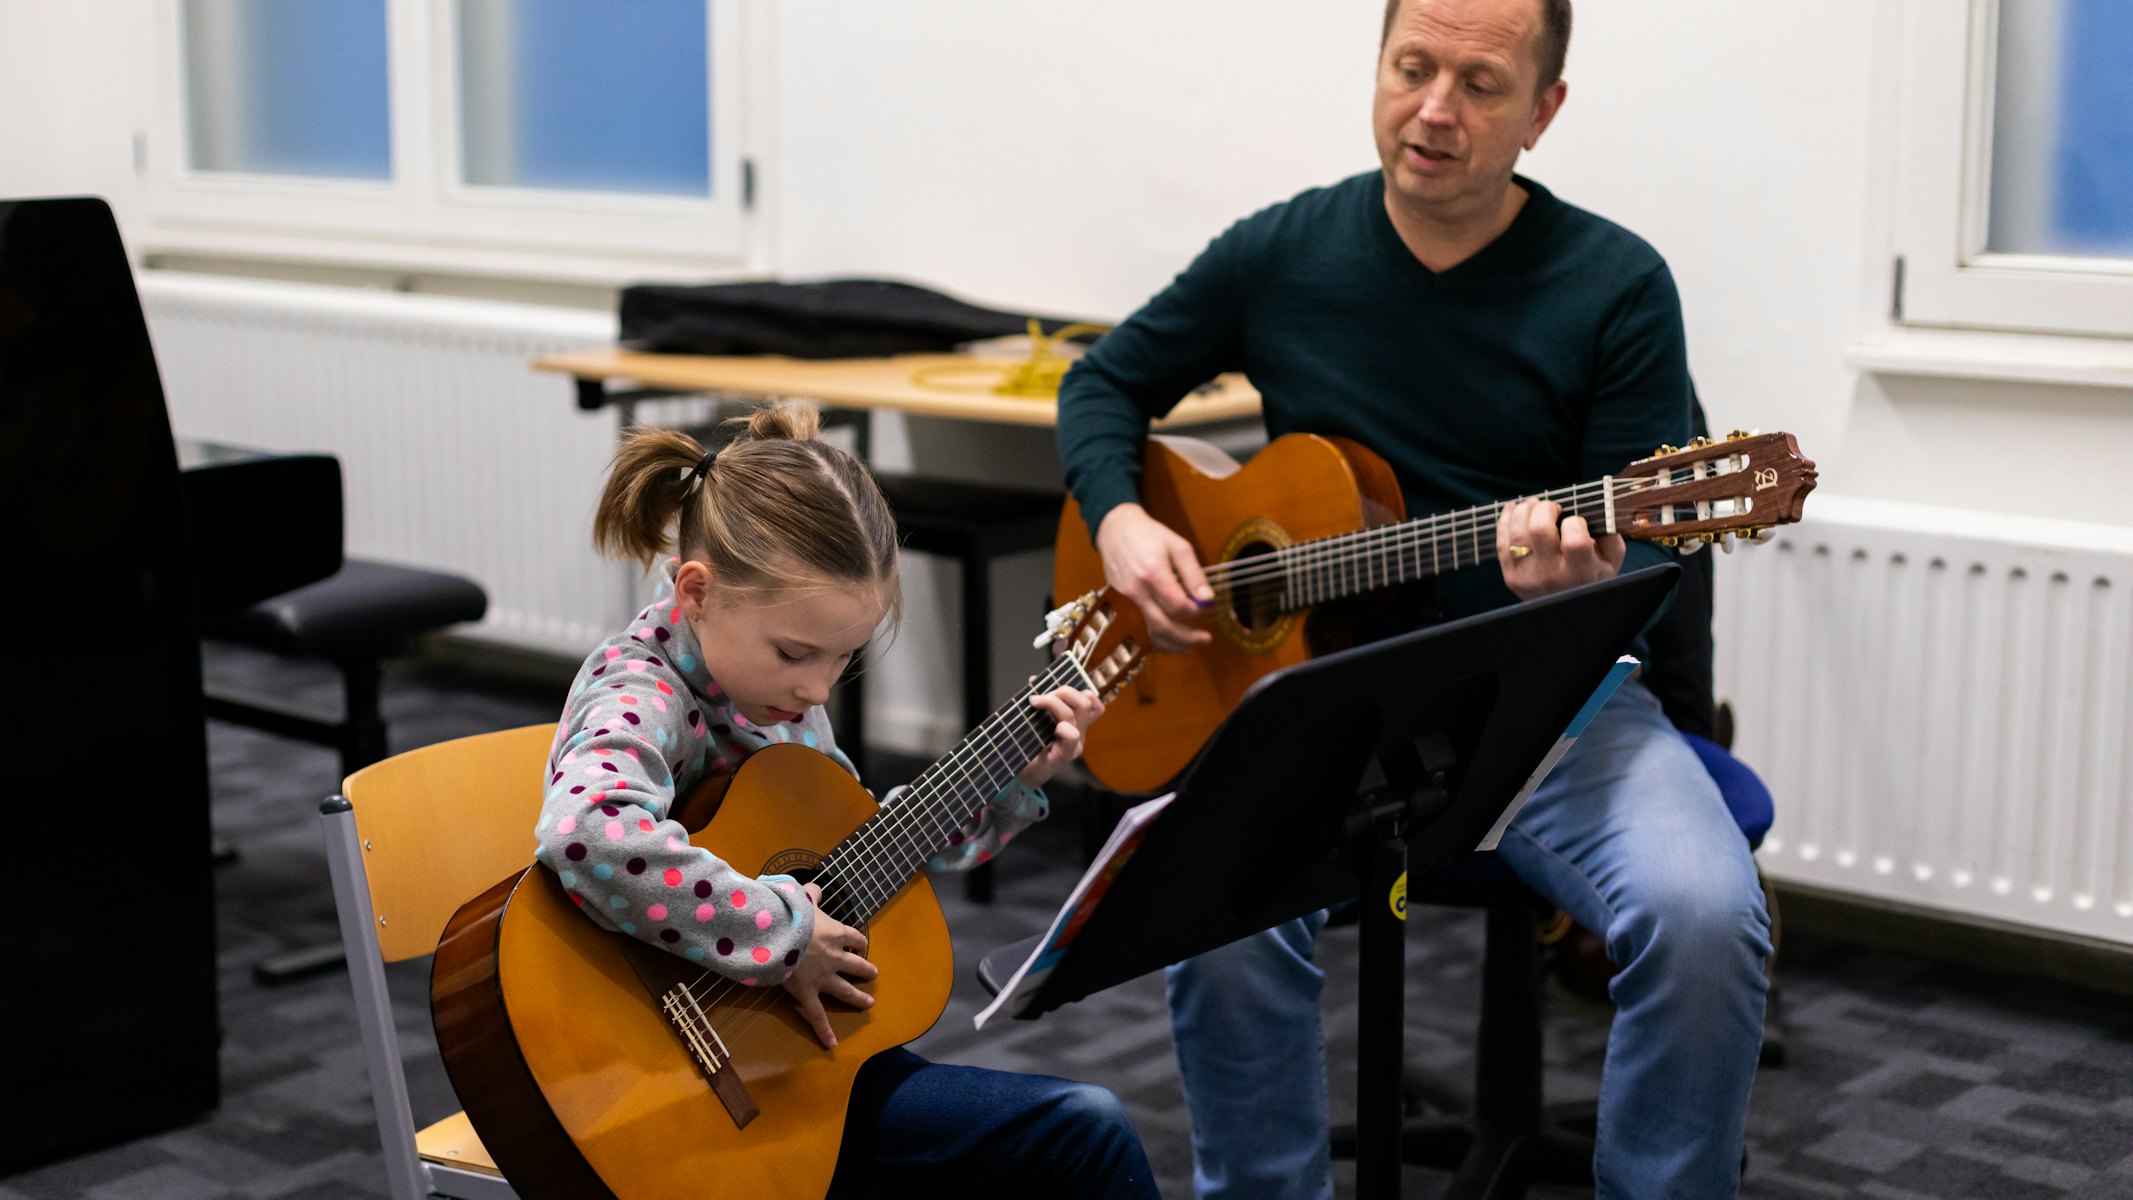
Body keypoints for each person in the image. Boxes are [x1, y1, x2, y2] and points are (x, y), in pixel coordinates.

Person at [1054, 0, 1771, 1196]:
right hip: (1317, 701)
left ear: (1544, 111)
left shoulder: (1619, 284)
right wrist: (1122, 520)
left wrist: (1572, 593)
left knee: (1703, 920)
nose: (1434, 110)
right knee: (1211, 918)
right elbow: (1105, 383)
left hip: (1550, 704)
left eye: (1481, 85)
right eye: (1412, 67)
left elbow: (1654, 556)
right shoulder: (1285, 250)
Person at [534, 402, 1156, 1198]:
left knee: (1073, 1126)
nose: (817, 686)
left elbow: (866, 852)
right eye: (794, 653)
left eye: (842, 657)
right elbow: (585, 832)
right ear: (695, 592)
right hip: (667, 1079)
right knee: (1080, 1132)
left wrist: (1012, 780)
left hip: (789, 1054)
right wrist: (782, 934)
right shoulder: (641, 691)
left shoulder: (779, 697)